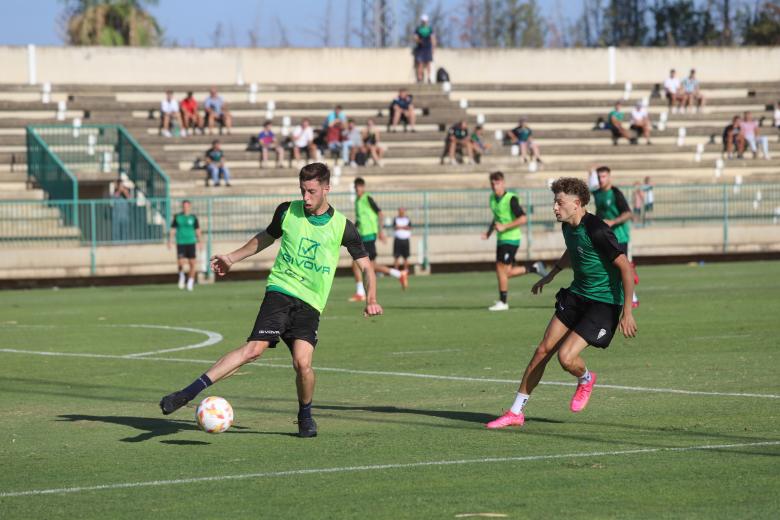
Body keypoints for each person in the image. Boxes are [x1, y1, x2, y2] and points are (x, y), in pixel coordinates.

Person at [160, 163, 383, 438]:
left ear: (327, 188)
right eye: (302, 190)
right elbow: (266, 237)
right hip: (280, 290)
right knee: (254, 350)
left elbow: (366, 265)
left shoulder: (343, 227)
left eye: (311, 191)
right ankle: (187, 393)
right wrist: (232, 258)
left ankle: (305, 415)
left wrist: (370, 298)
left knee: (303, 365)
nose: (306, 197)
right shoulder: (287, 210)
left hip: (311, 303)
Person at [486, 177, 637, 429]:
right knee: (543, 350)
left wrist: (627, 312)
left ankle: (586, 378)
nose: (555, 207)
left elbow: (626, 268)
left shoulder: (598, 229)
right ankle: (515, 412)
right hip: (577, 295)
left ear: (577, 203)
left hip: (603, 303)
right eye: (554, 202)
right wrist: (552, 273)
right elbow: (573, 249)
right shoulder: (568, 226)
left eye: (559, 202)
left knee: (566, 358)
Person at [481, 171, 547, 312]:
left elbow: (523, 218)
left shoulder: (511, 199)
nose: (494, 186)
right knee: (506, 272)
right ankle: (534, 268)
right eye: (492, 183)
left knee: (500, 269)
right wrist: (488, 232)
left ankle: (503, 302)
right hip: (501, 239)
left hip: (511, 239)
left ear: (503, 183)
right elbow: (497, 217)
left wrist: (505, 227)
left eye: (497, 183)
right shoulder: (492, 198)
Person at [349, 177, 408, 302]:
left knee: (361, 264)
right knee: (367, 265)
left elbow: (380, 213)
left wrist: (381, 231)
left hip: (369, 236)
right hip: (362, 236)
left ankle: (361, 292)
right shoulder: (357, 201)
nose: (357, 189)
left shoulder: (367, 198)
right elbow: (360, 219)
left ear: (363, 187)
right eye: (355, 187)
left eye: (359, 187)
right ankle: (399, 274)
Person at [592, 166, 639, 308]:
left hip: (620, 236)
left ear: (609, 177)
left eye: (604, 176)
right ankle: (607, 296)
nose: (601, 179)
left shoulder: (616, 193)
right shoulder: (596, 193)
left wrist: (613, 221)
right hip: (604, 237)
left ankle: (632, 298)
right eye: (599, 177)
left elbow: (628, 213)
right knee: (604, 267)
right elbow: (600, 212)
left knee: (623, 267)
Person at [167, 200, 201, 292]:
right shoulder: (178, 217)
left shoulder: (193, 217)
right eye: (184, 206)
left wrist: (200, 242)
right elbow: (173, 230)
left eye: (187, 206)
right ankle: (182, 276)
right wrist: (169, 241)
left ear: (189, 207)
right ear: (182, 207)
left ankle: (190, 282)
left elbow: (198, 230)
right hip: (181, 242)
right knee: (180, 263)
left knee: (192, 263)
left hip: (191, 242)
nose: (185, 207)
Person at [413, 14, 436, 84]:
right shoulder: (418, 29)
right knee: (420, 63)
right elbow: (415, 38)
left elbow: (433, 39)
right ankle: (419, 78)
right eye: (423, 21)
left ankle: (429, 78)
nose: (424, 22)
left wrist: (433, 48)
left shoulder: (430, 29)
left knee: (428, 63)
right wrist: (419, 41)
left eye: (425, 21)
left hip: (428, 48)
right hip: (420, 48)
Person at [393, 207, 412, 272]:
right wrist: (404, 227)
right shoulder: (396, 219)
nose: (401, 212)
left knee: (405, 257)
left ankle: (406, 270)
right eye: (400, 211)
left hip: (405, 240)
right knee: (396, 256)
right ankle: (396, 271)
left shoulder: (407, 219)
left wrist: (400, 227)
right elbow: (395, 227)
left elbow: (409, 227)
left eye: (402, 211)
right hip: (398, 240)